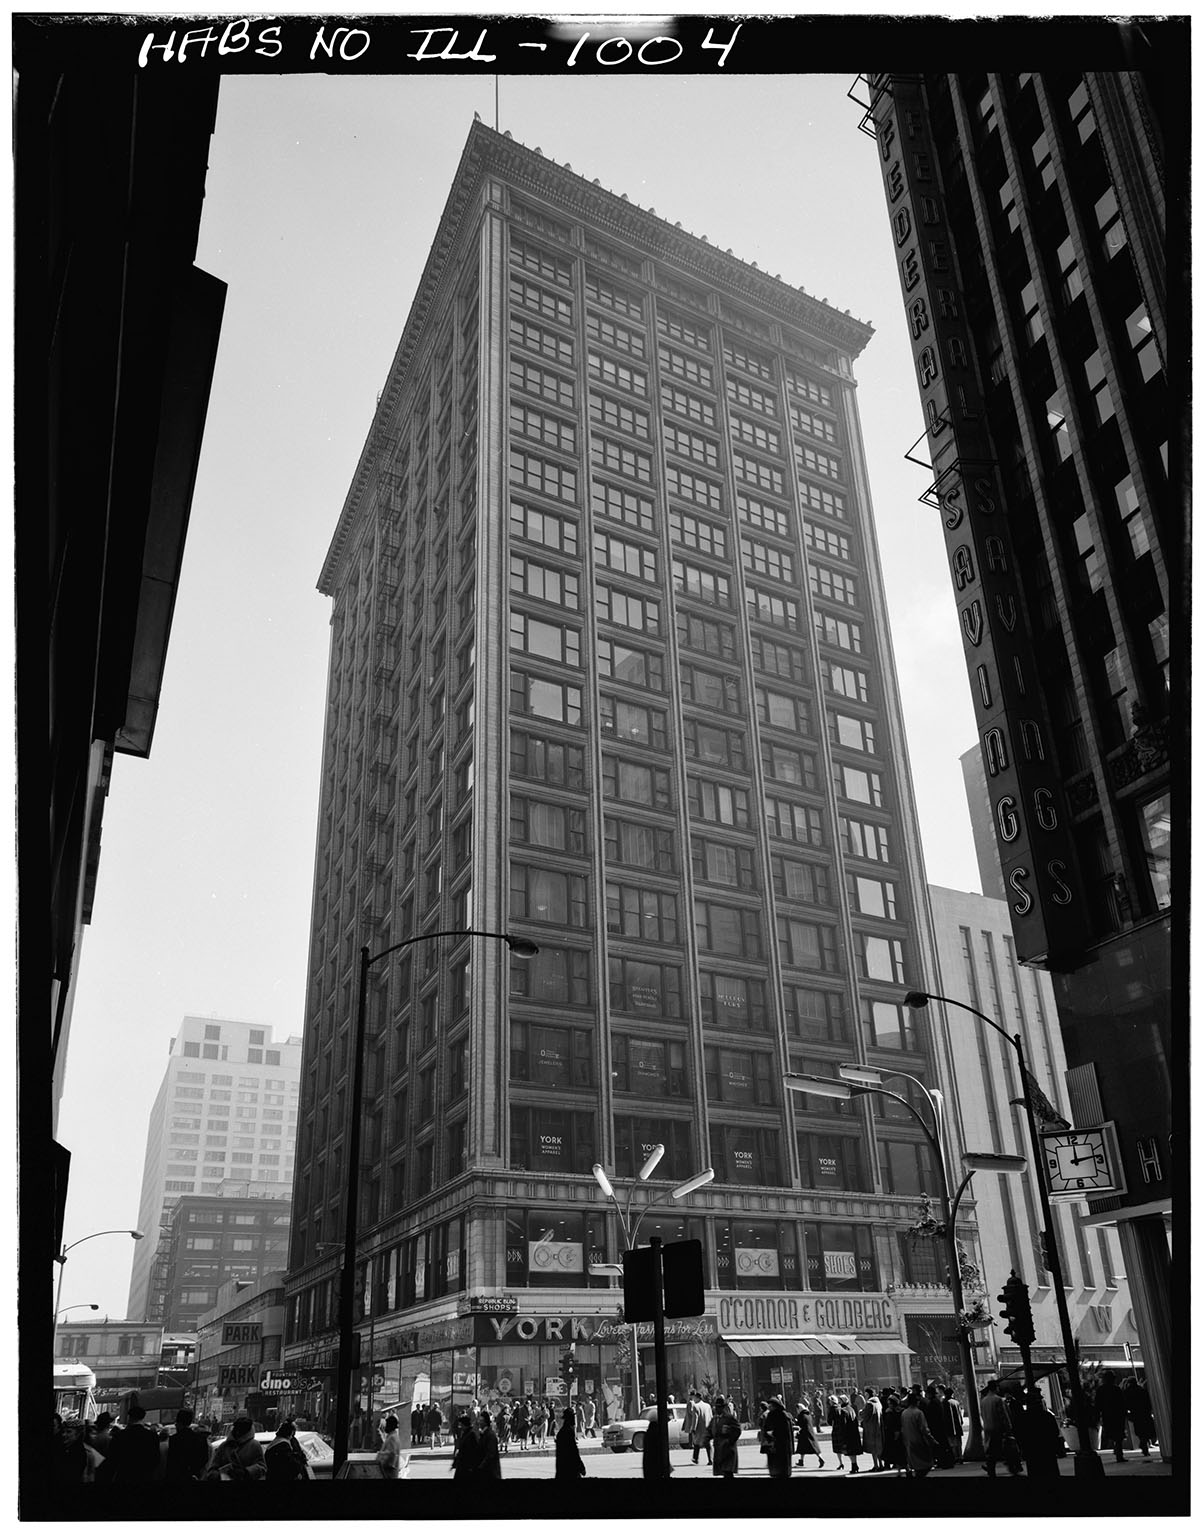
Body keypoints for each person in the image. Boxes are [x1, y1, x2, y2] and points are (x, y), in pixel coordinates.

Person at [106, 1403, 164, 1483]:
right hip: (144, 1476)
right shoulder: (152, 1436)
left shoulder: (120, 1435)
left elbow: (112, 1457)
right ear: (143, 1418)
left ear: (129, 1417)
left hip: (124, 1475)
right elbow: (155, 1458)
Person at [207, 1415, 267, 1482]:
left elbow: (262, 1467)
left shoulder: (254, 1445)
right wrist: (221, 1475)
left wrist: (245, 1472)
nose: (238, 1432)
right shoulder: (224, 1446)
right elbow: (212, 1469)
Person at [164, 1408, 209, 1482]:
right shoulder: (201, 1439)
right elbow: (204, 1458)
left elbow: (171, 1463)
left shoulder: (174, 1439)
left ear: (178, 1422)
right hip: (195, 1475)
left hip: (178, 1476)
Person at [981, 1380, 1015, 1478]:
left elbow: (982, 1415)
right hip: (997, 1428)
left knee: (991, 1450)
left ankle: (990, 1468)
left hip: (987, 1427)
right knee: (1003, 1449)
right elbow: (1003, 1415)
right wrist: (1008, 1427)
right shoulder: (998, 1400)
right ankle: (1011, 1466)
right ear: (996, 1387)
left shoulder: (983, 1401)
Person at [900, 1388, 938, 1478]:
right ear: (916, 1402)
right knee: (925, 1465)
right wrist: (932, 1441)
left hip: (909, 1443)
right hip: (920, 1442)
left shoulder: (904, 1413)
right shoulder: (919, 1413)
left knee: (916, 1466)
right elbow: (924, 1429)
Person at [1096, 1371, 1129, 1463]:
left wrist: (1098, 1415)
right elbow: (1122, 1403)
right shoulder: (1116, 1389)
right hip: (1117, 1415)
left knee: (1111, 1434)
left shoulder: (1101, 1390)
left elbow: (1098, 1404)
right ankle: (1119, 1453)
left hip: (1107, 1415)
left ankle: (1116, 1450)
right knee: (1118, 1436)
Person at [708, 1394, 741, 1478]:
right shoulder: (714, 1419)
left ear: (723, 1407)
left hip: (728, 1449)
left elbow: (737, 1430)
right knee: (724, 1472)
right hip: (719, 1449)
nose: (717, 1409)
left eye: (720, 1407)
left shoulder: (729, 1418)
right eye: (716, 1407)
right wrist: (705, 1439)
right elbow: (709, 1431)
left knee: (728, 1472)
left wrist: (730, 1440)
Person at [1122, 1375, 1156, 1457]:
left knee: (1140, 1431)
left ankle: (1144, 1445)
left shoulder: (1127, 1392)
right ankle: (1144, 1445)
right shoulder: (1141, 1390)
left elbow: (1125, 1403)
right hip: (1144, 1413)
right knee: (1146, 1430)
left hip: (1135, 1414)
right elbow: (1147, 1401)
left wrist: (1127, 1412)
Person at [762, 1395, 794, 1479]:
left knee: (780, 1469)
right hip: (777, 1445)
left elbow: (783, 1431)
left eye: (771, 1406)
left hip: (779, 1445)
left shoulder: (779, 1415)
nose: (769, 1407)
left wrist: (772, 1433)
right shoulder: (778, 1415)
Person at [554, 1405, 586, 1480]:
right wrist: (581, 1467)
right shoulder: (569, 1431)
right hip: (571, 1469)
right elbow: (574, 1451)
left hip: (562, 1468)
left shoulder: (561, 1432)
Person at [793, 1396, 824, 1469]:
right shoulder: (808, 1414)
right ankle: (801, 1461)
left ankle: (820, 1459)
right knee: (804, 1448)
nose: (797, 1411)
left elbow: (800, 1425)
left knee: (807, 1448)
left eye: (797, 1409)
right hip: (809, 1433)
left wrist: (796, 1422)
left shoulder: (801, 1415)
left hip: (804, 1434)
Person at [882, 1391, 906, 1474]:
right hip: (895, 1433)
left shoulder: (891, 1412)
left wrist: (896, 1432)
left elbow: (893, 1424)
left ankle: (896, 1465)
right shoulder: (899, 1411)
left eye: (890, 1403)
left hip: (893, 1433)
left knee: (895, 1450)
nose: (889, 1404)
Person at [450, 1415, 480, 1480]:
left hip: (467, 1465)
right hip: (463, 1464)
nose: (460, 1427)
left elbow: (474, 1450)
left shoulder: (471, 1434)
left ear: (464, 1425)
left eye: (461, 1425)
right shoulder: (466, 1433)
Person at [860, 1387, 883, 1471]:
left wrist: (860, 1412)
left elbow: (864, 1415)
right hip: (879, 1427)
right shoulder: (878, 1402)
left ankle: (876, 1466)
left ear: (869, 1394)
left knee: (873, 1449)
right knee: (878, 1447)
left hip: (871, 1428)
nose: (864, 1396)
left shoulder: (869, 1403)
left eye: (866, 1394)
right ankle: (881, 1464)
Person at [475, 1408, 502, 1479]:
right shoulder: (483, 1434)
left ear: (485, 1422)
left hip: (491, 1472)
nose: (479, 1422)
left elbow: (491, 1454)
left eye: (481, 1421)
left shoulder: (490, 1435)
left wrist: (481, 1466)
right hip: (486, 1471)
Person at [373, 1413, 402, 1479]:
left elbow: (390, 1455)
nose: (386, 1426)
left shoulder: (392, 1438)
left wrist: (380, 1457)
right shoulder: (391, 1436)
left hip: (389, 1474)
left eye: (387, 1424)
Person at [690, 1390, 713, 1465]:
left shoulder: (696, 1406)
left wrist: (693, 1428)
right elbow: (711, 1416)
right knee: (708, 1444)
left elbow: (695, 1418)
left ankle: (695, 1459)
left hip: (699, 1428)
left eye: (694, 1398)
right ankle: (711, 1459)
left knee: (696, 1443)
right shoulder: (708, 1406)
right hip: (707, 1427)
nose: (694, 1400)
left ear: (697, 1398)